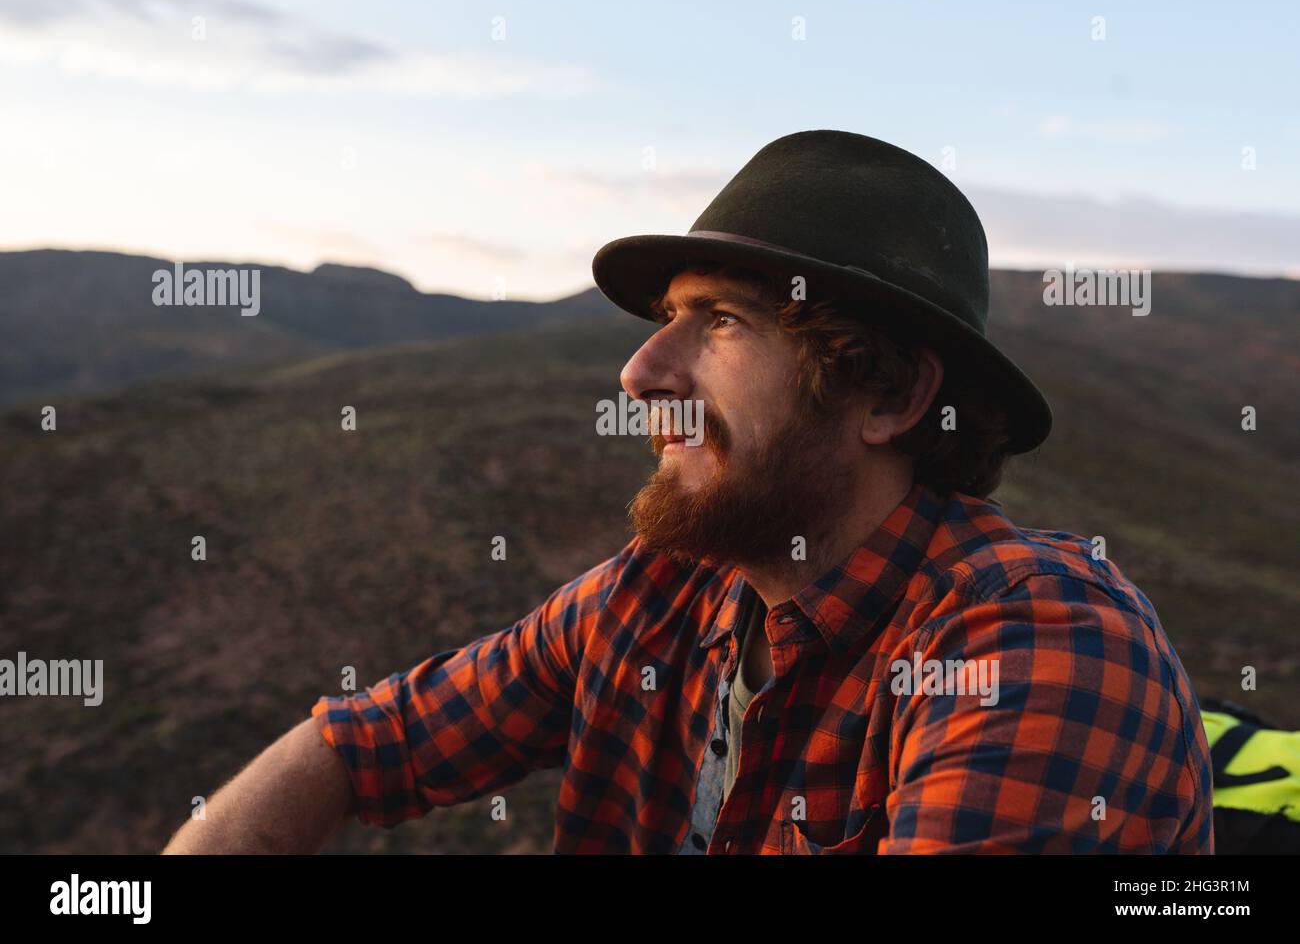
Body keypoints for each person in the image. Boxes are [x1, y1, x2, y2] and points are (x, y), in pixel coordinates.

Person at [163, 130, 1213, 854]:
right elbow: (360, 746)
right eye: (665, 316)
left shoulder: (1035, 641)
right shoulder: (657, 595)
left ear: (888, 392)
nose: (641, 371)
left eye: (718, 321)